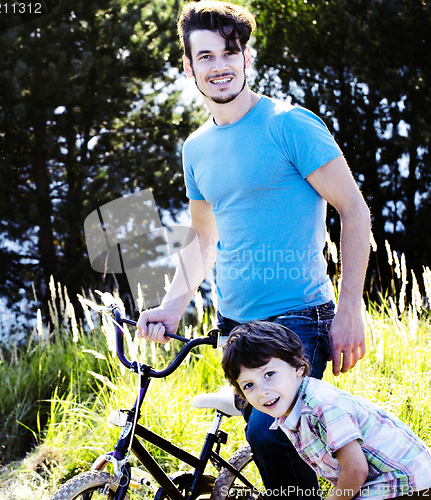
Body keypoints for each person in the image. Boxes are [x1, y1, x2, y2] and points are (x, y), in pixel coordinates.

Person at [136, 1, 371, 497]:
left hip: (299, 319)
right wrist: (172, 305)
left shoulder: (290, 125)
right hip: (234, 328)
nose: (219, 65)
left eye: (230, 51)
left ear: (246, 57)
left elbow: (355, 210)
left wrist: (351, 307)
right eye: (205, 56)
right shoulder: (196, 148)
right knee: (277, 440)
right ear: (188, 66)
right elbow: (204, 237)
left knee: (269, 432)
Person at [222, 321, 431, 500]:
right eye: (249, 385)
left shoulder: (320, 405)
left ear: (298, 367)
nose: (262, 392)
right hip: (382, 484)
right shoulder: (290, 413)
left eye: (269, 374)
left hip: (409, 484)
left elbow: (356, 470)